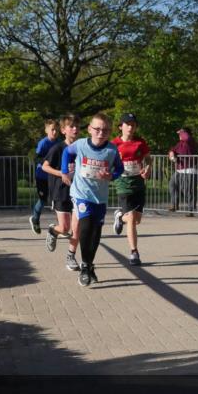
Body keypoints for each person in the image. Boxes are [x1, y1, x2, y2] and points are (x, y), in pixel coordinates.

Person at [59, 113, 123, 286]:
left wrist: (111, 175)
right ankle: (85, 266)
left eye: (105, 130)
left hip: (100, 198)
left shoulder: (111, 150)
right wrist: (65, 170)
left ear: (109, 132)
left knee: (95, 233)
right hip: (81, 195)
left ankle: (89, 264)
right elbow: (66, 152)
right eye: (97, 129)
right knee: (85, 226)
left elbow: (119, 169)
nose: (101, 133)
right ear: (89, 129)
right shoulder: (80, 145)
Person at [41, 115, 81, 271]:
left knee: (76, 228)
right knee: (64, 228)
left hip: (78, 192)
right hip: (61, 192)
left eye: (77, 126)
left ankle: (71, 256)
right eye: (71, 126)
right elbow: (44, 166)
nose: (75, 129)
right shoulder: (57, 148)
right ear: (64, 130)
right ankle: (53, 231)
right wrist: (61, 173)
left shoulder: (82, 147)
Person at [112, 113, 151, 267]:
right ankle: (134, 252)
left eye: (133, 124)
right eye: (127, 124)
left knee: (137, 220)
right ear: (121, 126)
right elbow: (108, 160)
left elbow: (148, 157)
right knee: (133, 219)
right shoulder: (114, 144)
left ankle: (119, 217)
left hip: (138, 182)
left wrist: (148, 167)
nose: (130, 127)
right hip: (122, 183)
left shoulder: (140, 142)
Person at [29, 118, 59, 235]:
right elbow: (36, 158)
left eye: (56, 130)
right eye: (52, 130)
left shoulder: (59, 143)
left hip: (53, 175)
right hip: (41, 175)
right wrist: (48, 162)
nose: (55, 132)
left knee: (57, 199)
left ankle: (61, 226)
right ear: (46, 130)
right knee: (43, 200)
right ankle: (35, 219)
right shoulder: (43, 143)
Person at [167, 127, 198, 215]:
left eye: (181, 134)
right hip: (179, 169)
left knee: (188, 190)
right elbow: (173, 149)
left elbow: (187, 137)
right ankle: (174, 204)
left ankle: (190, 210)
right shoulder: (180, 143)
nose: (179, 135)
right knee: (172, 184)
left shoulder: (190, 141)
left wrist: (182, 132)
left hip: (189, 170)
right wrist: (171, 153)